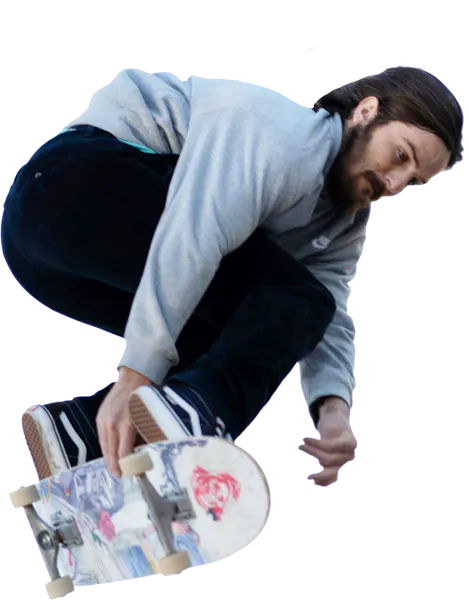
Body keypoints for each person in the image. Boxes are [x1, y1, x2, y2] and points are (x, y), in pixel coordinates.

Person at [1, 66, 463, 488]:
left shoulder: (343, 222)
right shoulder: (281, 135)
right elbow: (193, 236)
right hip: (71, 187)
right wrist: (136, 376)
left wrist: (334, 410)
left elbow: (327, 313)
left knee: (255, 325)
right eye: (400, 155)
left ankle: (77, 432)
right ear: (366, 112)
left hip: (47, 264)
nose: (394, 183)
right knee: (285, 298)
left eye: (412, 179)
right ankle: (193, 420)